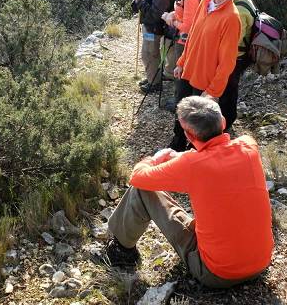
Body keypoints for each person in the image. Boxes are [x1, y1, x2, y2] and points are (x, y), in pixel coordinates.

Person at [105, 96, 274, 288]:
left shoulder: (191, 165)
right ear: (223, 122)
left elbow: (137, 177)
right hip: (260, 263)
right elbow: (214, 155)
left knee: (141, 190)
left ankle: (121, 252)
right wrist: (182, 157)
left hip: (217, 274)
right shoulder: (248, 145)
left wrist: (154, 159)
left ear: (189, 136)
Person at [169, 0, 242, 151]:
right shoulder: (205, 1)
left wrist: (212, 92)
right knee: (181, 111)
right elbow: (192, 35)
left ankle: (195, 156)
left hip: (204, 82)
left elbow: (227, 62)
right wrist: (181, 62)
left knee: (198, 125)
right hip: (188, 72)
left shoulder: (231, 17)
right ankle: (177, 143)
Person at [132, 0, 179, 93]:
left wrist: (140, 2)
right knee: (150, 53)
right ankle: (153, 77)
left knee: (149, 53)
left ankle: (154, 83)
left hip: (155, 26)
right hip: (156, 26)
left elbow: (155, 13)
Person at [161, 0, 203, 111]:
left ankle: (182, 106)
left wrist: (171, 20)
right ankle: (180, 102)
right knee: (180, 72)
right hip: (181, 40)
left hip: (184, 42)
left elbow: (188, 26)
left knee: (182, 73)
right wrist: (173, 14)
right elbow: (182, 12)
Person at [218, 0, 256, 130]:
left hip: (236, 56)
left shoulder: (239, 10)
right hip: (239, 55)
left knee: (228, 90)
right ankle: (226, 119)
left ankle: (226, 122)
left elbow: (233, 41)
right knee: (229, 89)